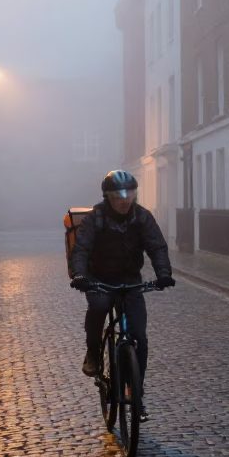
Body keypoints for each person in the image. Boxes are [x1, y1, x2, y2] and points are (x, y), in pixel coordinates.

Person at [69, 170, 175, 421]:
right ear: (108, 197)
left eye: (130, 194)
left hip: (130, 282)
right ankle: (93, 353)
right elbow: (81, 248)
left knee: (139, 336)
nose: (125, 200)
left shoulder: (142, 217)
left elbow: (156, 246)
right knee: (98, 308)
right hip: (99, 280)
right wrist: (80, 276)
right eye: (118, 196)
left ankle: (136, 393)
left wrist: (163, 273)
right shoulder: (95, 218)